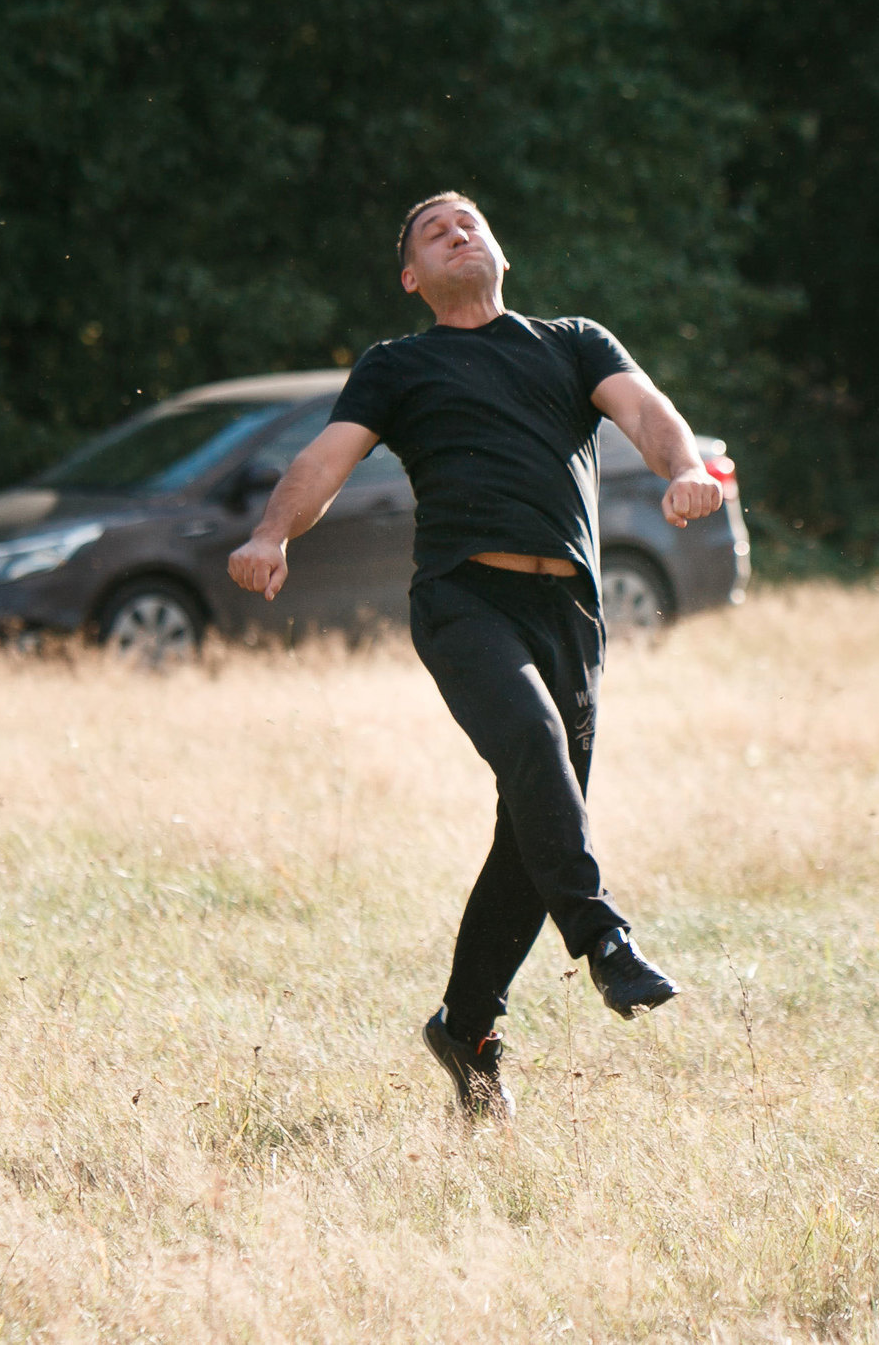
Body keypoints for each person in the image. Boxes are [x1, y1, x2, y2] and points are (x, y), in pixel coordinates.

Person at [229, 192, 721, 1119]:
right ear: (412, 276)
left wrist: (684, 467)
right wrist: (272, 533)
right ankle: (605, 939)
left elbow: (650, 414)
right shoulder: (399, 366)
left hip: (568, 609)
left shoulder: (572, 342)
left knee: (535, 829)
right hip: (465, 600)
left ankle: (467, 1027)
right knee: (535, 749)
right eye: (434, 229)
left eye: (473, 222)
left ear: (500, 250)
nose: (460, 231)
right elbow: (325, 461)